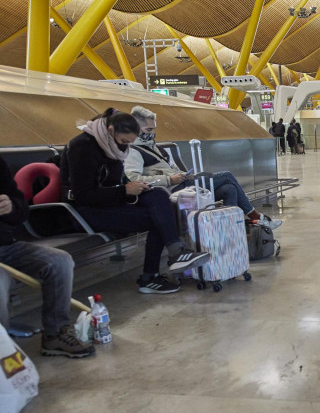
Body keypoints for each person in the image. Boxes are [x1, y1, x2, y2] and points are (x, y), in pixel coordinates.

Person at [60, 108, 210, 294]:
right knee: (156, 219)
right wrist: (125, 190)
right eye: (124, 141)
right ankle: (150, 277)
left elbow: (117, 180)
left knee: (159, 195)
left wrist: (134, 186)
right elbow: (84, 195)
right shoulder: (82, 147)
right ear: (111, 130)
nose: (125, 147)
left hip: (110, 202)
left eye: (129, 143)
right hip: (84, 211)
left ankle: (176, 252)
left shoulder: (114, 146)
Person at [124, 106, 281, 230]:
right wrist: (169, 179)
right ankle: (256, 216)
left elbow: (170, 167)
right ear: (136, 129)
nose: (152, 134)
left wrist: (182, 174)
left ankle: (228, 228)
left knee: (229, 189)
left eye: (153, 129)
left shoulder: (154, 148)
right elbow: (134, 179)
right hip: (175, 191)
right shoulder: (134, 152)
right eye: (148, 130)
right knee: (226, 176)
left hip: (184, 185)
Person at [0, 156, 95, 358]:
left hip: (5, 246)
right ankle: (4, 351)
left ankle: (55, 334)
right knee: (0, 280)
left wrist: (11, 207)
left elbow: (21, 209)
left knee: (59, 261)